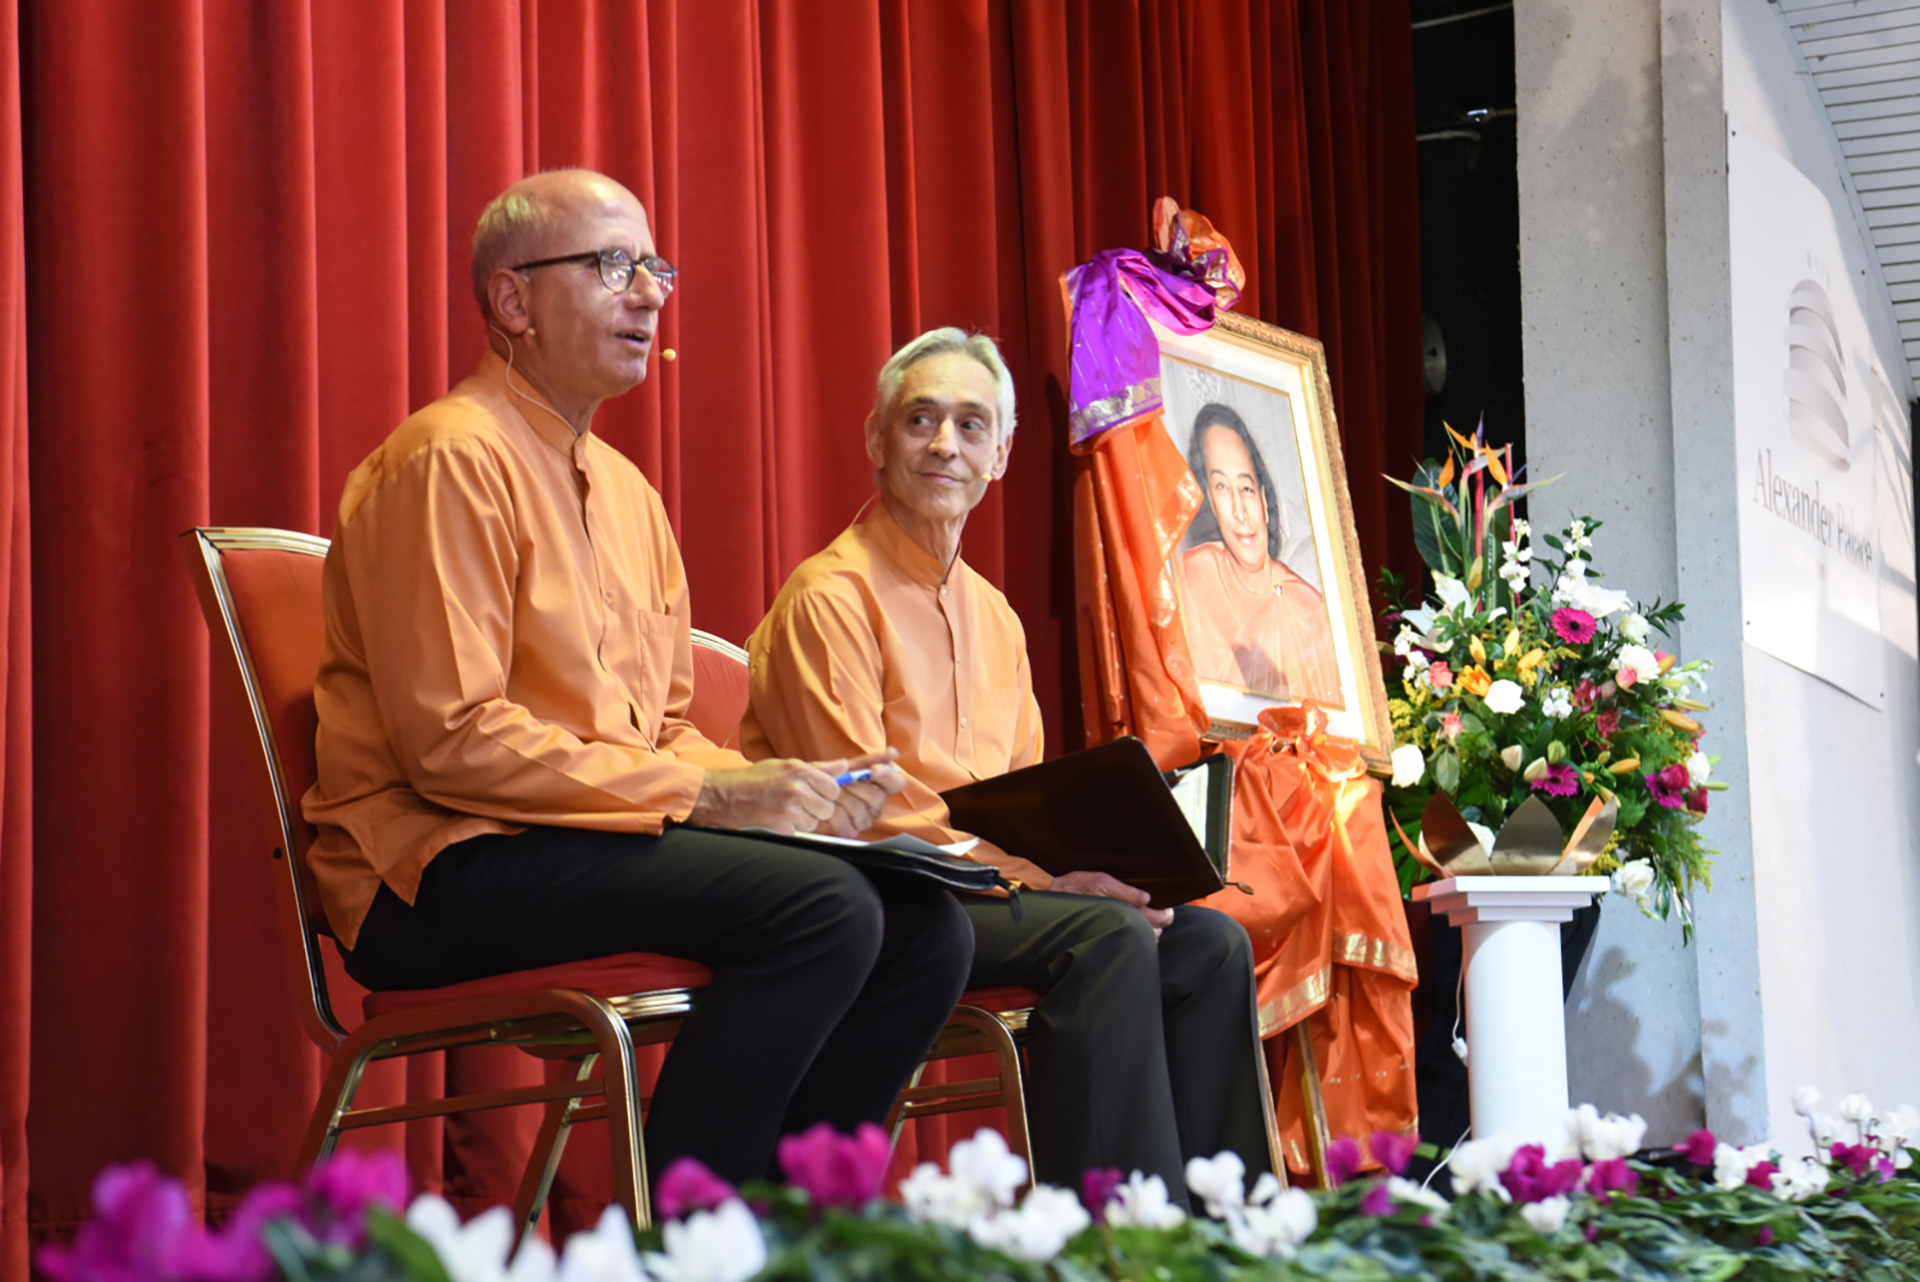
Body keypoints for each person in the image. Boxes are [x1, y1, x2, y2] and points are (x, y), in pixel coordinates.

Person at [301, 170, 974, 1188]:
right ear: (513, 301)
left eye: (656, 268)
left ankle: (795, 1236)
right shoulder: (449, 460)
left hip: (579, 841)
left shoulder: (629, 495)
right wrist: (711, 794)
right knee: (824, 912)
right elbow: (451, 743)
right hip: (440, 864)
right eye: (612, 266)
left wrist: (796, 794)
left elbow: (660, 729)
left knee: (926, 926)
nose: (650, 293)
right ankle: (685, 1240)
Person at [741, 327, 1273, 1201]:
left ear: (1001, 455)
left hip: (994, 888)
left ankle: (1235, 1236)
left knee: (1208, 943)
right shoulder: (829, 597)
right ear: (877, 440)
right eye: (920, 420)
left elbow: (1019, 798)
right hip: (892, 902)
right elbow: (856, 811)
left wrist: (1092, 859)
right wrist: (1044, 877)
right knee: (1103, 934)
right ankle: (1121, 1245)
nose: (944, 444)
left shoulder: (996, 618)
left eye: (970, 424)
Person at [1179, 403, 1343, 708]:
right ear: (1211, 504)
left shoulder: (1309, 610)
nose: (1240, 512)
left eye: (1246, 488)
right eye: (1222, 487)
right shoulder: (1196, 573)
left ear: (1265, 501)